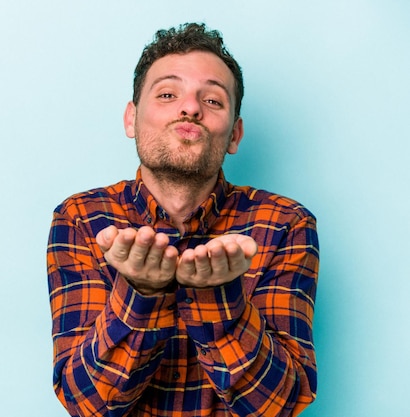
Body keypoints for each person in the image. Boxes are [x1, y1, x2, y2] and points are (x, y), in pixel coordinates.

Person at [46, 22, 319, 417]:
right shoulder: (80, 219)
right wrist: (141, 293)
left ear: (234, 136)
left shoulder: (285, 225)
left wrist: (218, 299)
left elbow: (279, 405)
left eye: (212, 100)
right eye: (168, 94)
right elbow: (88, 405)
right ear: (131, 119)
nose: (189, 107)